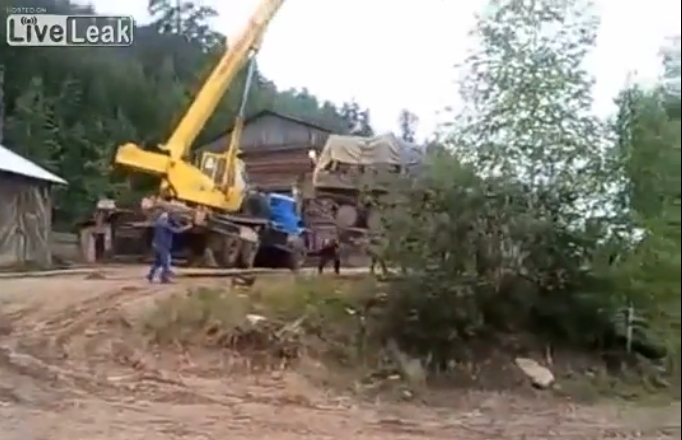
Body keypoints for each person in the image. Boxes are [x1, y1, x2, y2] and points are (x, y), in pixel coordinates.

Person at [147, 210, 192, 283]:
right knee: (166, 262)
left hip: (156, 245)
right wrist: (187, 227)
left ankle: (150, 275)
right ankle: (164, 278)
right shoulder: (165, 224)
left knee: (157, 262)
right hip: (163, 246)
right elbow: (177, 231)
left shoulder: (158, 223)